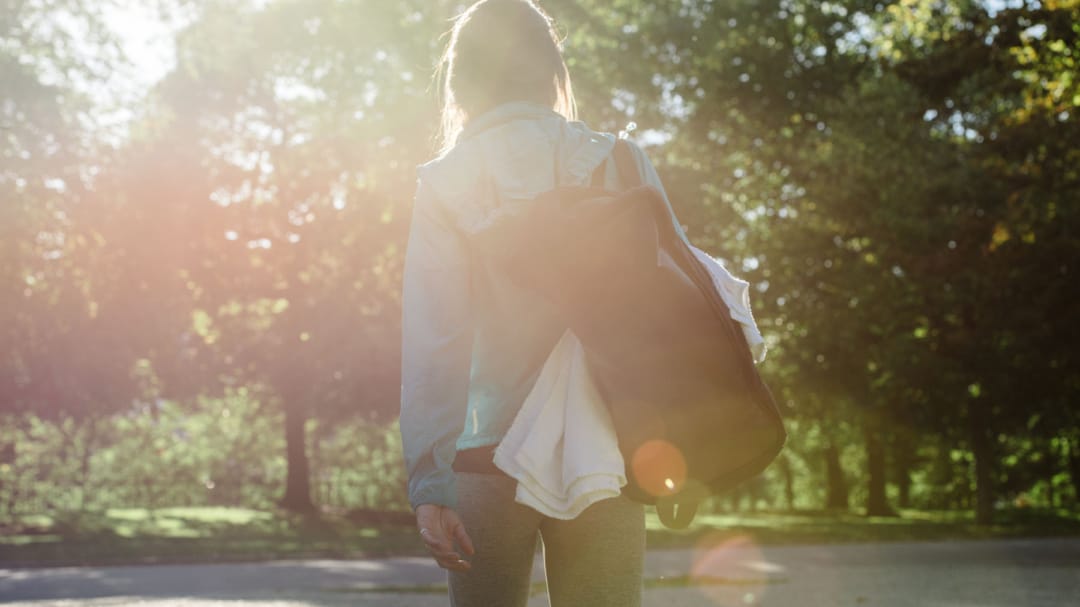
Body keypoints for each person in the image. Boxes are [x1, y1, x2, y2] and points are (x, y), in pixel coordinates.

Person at [398, 1, 677, 605]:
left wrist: (430, 483)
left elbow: (435, 343)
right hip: (605, 449)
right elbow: (672, 306)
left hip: (484, 457)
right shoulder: (621, 160)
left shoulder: (446, 182)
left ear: (461, 80)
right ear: (554, 72)